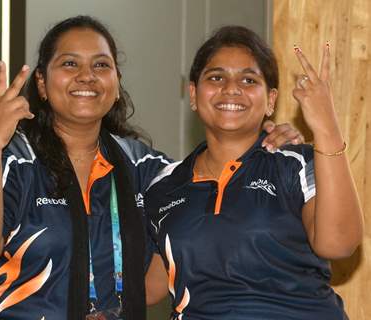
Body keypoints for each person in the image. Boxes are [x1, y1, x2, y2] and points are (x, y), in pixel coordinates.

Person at [0, 16, 303, 320]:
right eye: (69, 64)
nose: (86, 76)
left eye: (101, 65)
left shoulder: (143, 168)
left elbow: (218, 188)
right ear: (42, 84)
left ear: (116, 84)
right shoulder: (9, 158)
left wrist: (267, 145)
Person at [145, 26, 363, 320]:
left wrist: (326, 127)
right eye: (216, 77)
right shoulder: (164, 187)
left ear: (271, 100)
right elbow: (150, 288)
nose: (231, 88)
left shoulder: (297, 164)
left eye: (249, 79)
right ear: (194, 94)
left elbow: (339, 243)